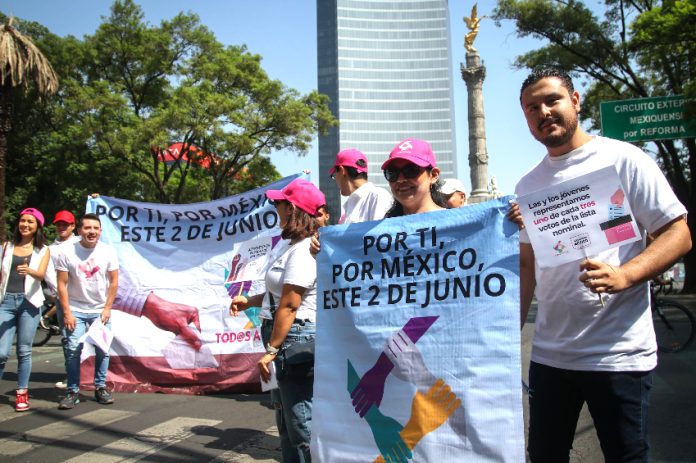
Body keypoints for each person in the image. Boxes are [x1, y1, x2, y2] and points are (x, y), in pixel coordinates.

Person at [516, 68, 691, 462]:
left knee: (626, 456)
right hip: (550, 355)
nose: (543, 112)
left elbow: (678, 234)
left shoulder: (625, 159)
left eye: (552, 100)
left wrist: (624, 274)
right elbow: (527, 265)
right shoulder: (527, 186)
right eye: (531, 108)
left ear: (575, 101)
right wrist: (506, 331)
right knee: (544, 455)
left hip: (619, 355)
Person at [230, 178, 325, 463]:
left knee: (301, 421)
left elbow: (291, 302)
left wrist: (272, 350)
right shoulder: (288, 245)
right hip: (280, 332)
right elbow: (278, 293)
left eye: (279, 202)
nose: (274, 206)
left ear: (293, 208)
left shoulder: (305, 250)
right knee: (284, 414)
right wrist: (250, 300)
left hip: (293, 337)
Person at [56, 213, 119, 410]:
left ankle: (100, 387)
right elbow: (62, 284)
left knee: (103, 350)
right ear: (79, 230)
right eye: (87, 228)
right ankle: (73, 391)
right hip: (76, 309)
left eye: (95, 228)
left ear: (100, 231)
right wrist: (67, 312)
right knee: (73, 351)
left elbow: (114, 282)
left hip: (100, 310)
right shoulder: (66, 251)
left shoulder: (108, 252)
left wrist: (107, 308)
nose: (91, 232)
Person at [0, 208, 52, 411]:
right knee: (2, 352)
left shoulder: (43, 250)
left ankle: (22, 392)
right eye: (23, 221)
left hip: (29, 303)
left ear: (37, 226)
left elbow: (42, 276)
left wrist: (30, 271)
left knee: (24, 350)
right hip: (6, 302)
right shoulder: (6, 247)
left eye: (30, 222)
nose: (25, 225)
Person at [329, 148, 392, 224]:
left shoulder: (377, 196)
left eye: (335, 174)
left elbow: (378, 233)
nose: (335, 179)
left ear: (342, 171)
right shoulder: (351, 205)